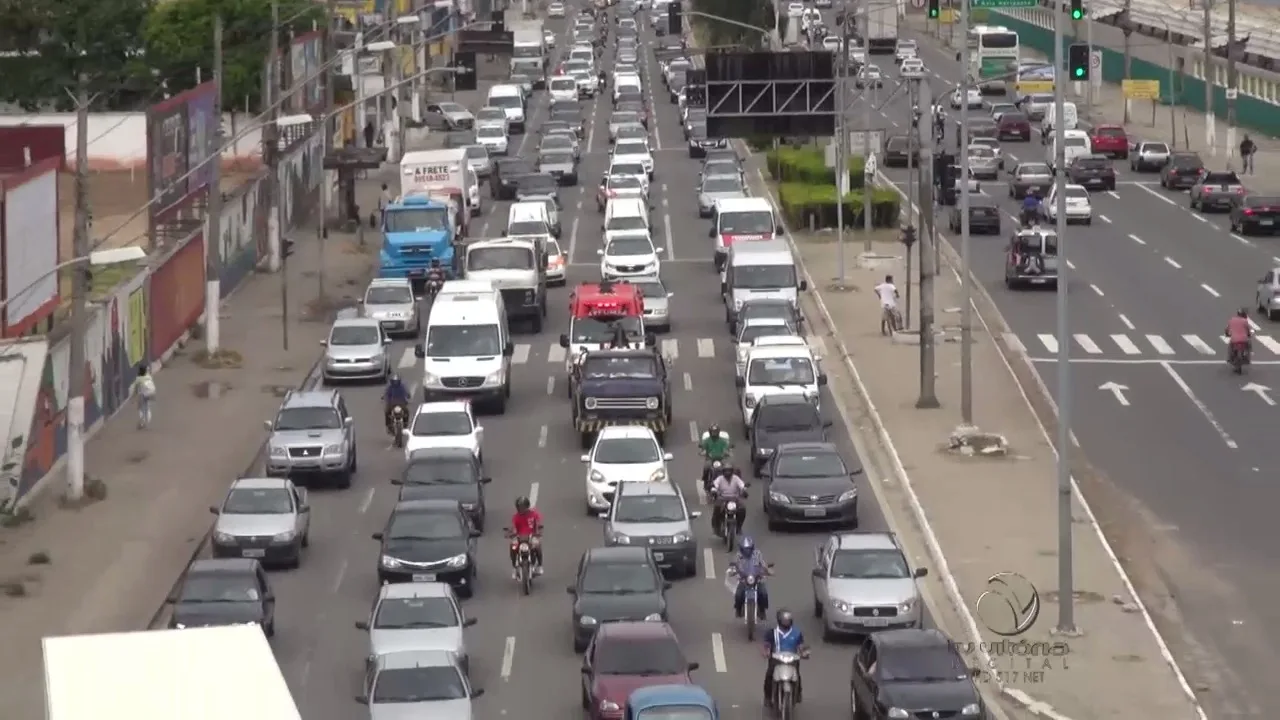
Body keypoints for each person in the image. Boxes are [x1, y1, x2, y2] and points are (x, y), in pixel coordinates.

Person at [761, 610, 808, 707]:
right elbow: (767, 645)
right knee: (769, 675)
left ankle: (798, 694)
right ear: (779, 621)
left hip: (792, 659)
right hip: (776, 659)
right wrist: (766, 652)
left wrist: (803, 653)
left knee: (797, 676)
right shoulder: (772, 633)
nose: (786, 622)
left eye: (788, 620)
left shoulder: (797, 633)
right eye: (784, 620)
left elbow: (800, 646)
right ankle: (768, 697)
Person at [730, 536, 770, 620]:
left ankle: (762, 611)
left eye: (748, 549)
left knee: (763, 593)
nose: (747, 551)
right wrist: (733, 571)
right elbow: (734, 565)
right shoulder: (738, 555)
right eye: (745, 549)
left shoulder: (757, 553)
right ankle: (738, 609)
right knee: (738, 595)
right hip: (743, 579)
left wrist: (766, 570)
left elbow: (763, 564)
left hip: (757, 579)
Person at [509, 496, 544, 575]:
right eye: (519, 507)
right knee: (513, 547)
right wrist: (512, 533)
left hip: (532, 536)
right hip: (520, 537)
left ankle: (540, 565)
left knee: (537, 546)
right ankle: (514, 566)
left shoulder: (533, 514)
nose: (521, 508)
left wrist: (538, 531)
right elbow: (514, 527)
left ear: (526, 506)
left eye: (522, 507)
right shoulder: (516, 517)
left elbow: (538, 523)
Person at [710, 464, 748, 538]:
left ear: (732, 471)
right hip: (722, 498)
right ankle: (716, 527)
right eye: (726, 471)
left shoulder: (736, 478)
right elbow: (715, 485)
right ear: (723, 472)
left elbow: (742, 486)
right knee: (717, 508)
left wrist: (744, 490)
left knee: (742, 509)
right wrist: (713, 490)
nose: (728, 473)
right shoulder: (720, 478)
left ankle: (739, 527)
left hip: (735, 498)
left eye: (729, 471)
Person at [698, 424, 733, 489]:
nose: (714, 433)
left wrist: (727, 453)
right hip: (710, 460)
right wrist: (702, 453)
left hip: (721, 459)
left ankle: (729, 483)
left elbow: (725, 449)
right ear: (710, 432)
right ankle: (705, 481)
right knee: (706, 467)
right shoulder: (707, 441)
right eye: (713, 432)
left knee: (729, 468)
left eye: (716, 432)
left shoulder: (722, 441)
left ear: (718, 432)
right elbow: (703, 449)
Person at [132, 363, 156, 429]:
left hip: (143, 394)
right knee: (147, 407)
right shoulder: (149, 376)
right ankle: (146, 421)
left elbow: (135, 389)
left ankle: (142, 422)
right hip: (151, 393)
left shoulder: (138, 378)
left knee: (141, 408)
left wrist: (133, 397)